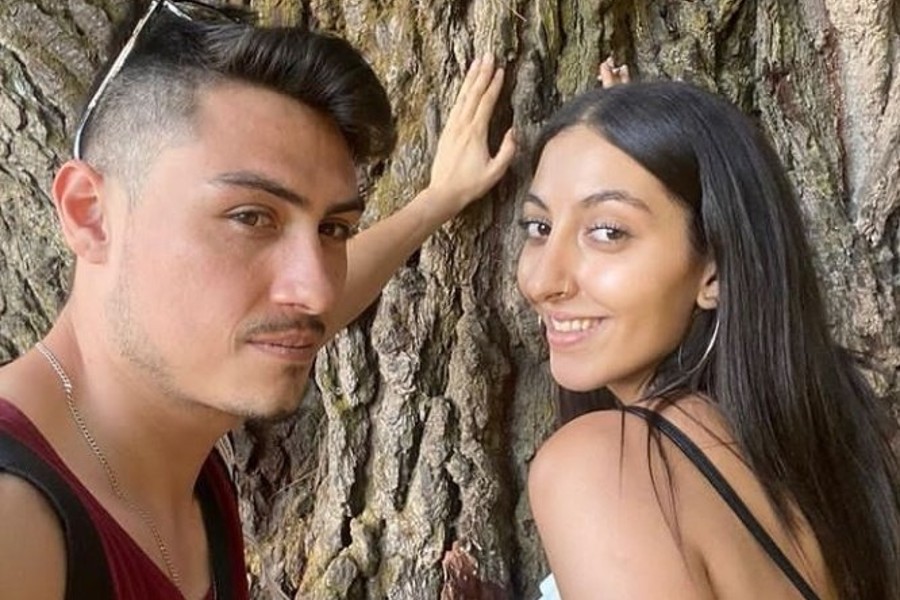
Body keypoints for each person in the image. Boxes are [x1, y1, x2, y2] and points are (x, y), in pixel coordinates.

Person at [0, 1, 514, 598]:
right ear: (91, 215)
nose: (314, 291)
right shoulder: (17, 522)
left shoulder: (168, 427)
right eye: (250, 217)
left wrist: (438, 201)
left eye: (332, 229)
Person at [518, 80, 900, 599]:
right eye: (539, 227)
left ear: (714, 271)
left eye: (608, 232)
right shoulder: (841, 460)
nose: (542, 281)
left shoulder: (607, 467)